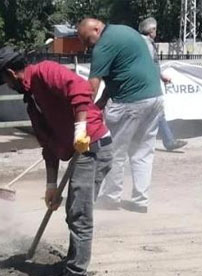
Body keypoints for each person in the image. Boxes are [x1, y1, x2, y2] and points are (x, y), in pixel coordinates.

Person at [0, 47, 113, 276]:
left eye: (4, 80)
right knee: (74, 211)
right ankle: (72, 265)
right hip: (83, 151)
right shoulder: (33, 101)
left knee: (79, 213)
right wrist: (50, 186)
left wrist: (80, 130)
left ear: (10, 73)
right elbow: (48, 145)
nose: (6, 85)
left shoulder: (46, 72)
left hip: (94, 146)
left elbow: (81, 90)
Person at [77, 18, 164, 214]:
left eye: (87, 39)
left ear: (96, 29)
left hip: (129, 102)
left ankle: (110, 197)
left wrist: (85, 112)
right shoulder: (125, 30)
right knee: (143, 152)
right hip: (154, 98)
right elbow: (120, 74)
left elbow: (93, 85)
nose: (86, 46)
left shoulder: (103, 46)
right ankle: (140, 201)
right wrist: (100, 104)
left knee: (114, 152)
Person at [139, 17, 187, 152]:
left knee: (157, 113)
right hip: (147, 84)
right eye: (155, 29)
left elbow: (152, 64)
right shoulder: (147, 44)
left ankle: (168, 140)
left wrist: (160, 76)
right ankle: (167, 141)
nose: (156, 32)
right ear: (151, 30)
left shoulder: (146, 43)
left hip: (148, 83)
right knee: (153, 112)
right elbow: (148, 64)